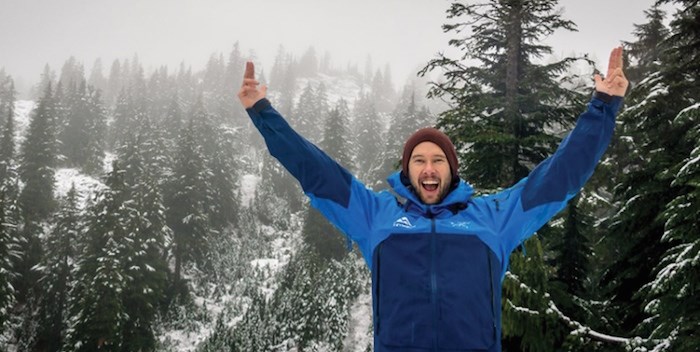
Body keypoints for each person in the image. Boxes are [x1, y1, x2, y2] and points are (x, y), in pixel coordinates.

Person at [238, 47, 628, 352]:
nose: (428, 169)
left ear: (451, 170)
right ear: (407, 172)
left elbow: (559, 176)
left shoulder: (493, 217)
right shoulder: (375, 215)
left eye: (438, 160)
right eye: (419, 161)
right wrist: (261, 111)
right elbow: (314, 169)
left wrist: (604, 107)